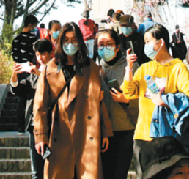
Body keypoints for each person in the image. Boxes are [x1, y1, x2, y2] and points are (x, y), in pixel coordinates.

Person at [33, 21, 113, 179]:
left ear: (80, 42)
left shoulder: (90, 67)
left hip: (86, 130)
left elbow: (99, 101)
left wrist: (104, 131)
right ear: (60, 42)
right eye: (66, 40)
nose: (70, 44)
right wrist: (40, 136)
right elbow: (40, 106)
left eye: (74, 40)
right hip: (59, 130)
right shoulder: (50, 68)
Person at [121, 24, 189, 179]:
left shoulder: (178, 67)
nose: (145, 45)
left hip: (168, 137)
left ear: (161, 42)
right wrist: (128, 68)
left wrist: (164, 100)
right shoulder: (144, 68)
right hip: (143, 135)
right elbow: (128, 92)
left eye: (148, 41)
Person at [96, 29, 138, 179]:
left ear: (117, 46)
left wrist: (126, 100)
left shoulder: (132, 67)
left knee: (120, 174)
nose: (105, 48)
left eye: (109, 44)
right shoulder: (92, 69)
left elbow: (143, 98)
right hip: (101, 131)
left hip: (124, 129)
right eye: (101, 44)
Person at [11, 39, 56, 179]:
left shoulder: (58, 71)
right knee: (36, 170)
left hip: (54, 124)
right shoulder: (32, 74)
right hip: (34, 125)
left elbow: (56, 91)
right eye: (37, 55)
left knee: (54, 166)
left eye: (43, 54)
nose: (40, 58)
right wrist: (14, 76)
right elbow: (18, 90)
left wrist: (39, 74)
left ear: (51, 53)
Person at [12, 15, 42, 132]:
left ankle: (20, 127)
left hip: (19, 70)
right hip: (31, 70)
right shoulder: (34, 39)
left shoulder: (16, 39)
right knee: (31, 98)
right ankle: (29, 124)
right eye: (34, 26)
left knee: (20, 98)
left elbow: (14, 56)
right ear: (30, 25)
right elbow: (36, 55)